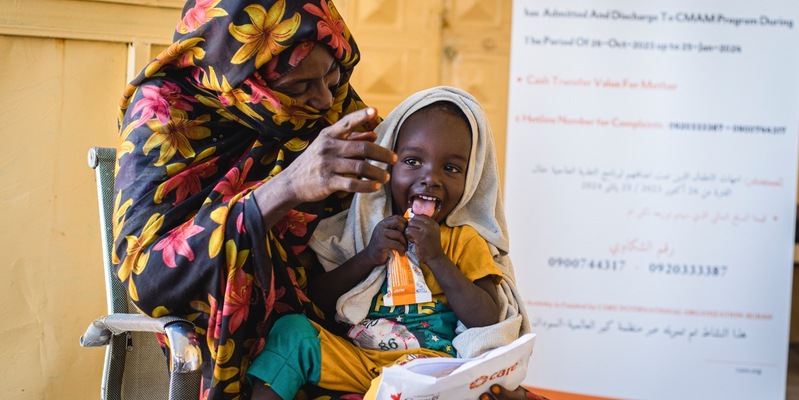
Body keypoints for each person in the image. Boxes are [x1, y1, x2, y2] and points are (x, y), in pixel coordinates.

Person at [113, 0, 536, 398]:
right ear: (245, 80)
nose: (325, 101)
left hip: (367, 347)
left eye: (333, 76)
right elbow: (151, 277)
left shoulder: (330, 110)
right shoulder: (166, 117)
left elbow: (398, 187)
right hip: (254, 349)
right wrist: (288, 186)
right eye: (300, 85)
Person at [246, 87, 534, 399]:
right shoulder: (363, 229)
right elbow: (316, 302)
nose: (430, 178)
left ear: (472, 179)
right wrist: (368, 256)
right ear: (388, 167)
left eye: (451, 168)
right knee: (292, 332)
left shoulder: (464, 241)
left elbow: (488, 319)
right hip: (357, 359)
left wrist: (437, 258)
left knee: (398, 388)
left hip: (427, 366)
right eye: (412, 161)